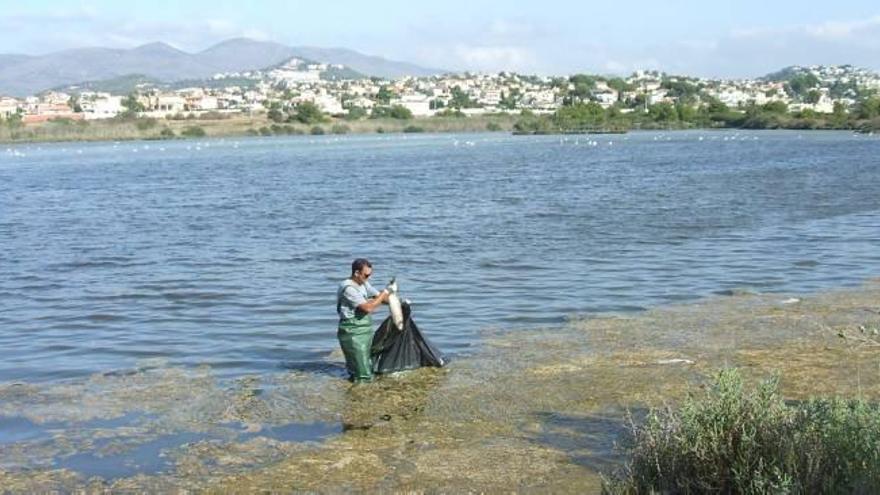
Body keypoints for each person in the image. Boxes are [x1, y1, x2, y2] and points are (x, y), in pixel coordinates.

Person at [336, 258, 389, 383]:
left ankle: (355, 394)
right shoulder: (348, 288)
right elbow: (368, 307)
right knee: (362, 373)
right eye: (366, 275)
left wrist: (396, 301)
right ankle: (360, 397)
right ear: (356, 273)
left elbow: (381, 298)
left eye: (370, 275)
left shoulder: (364, 284)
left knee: (364, 366)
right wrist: (384, 292)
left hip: (365, 330)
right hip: (352, 332)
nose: (368, 278)